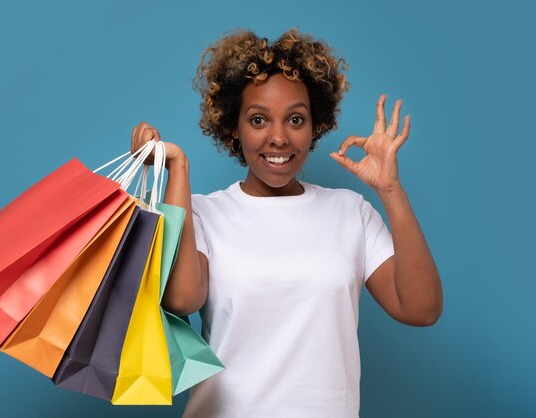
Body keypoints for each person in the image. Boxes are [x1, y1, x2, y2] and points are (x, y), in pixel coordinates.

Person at [130, 28, 442, 418]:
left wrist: (391, 190)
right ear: (233, 127)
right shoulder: (203, 213)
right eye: (258, 120)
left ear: (315, 128)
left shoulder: (351, 212)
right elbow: (182, 300)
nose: (278, 138)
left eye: (295, 119)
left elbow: (421, 309)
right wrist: (178, 168)